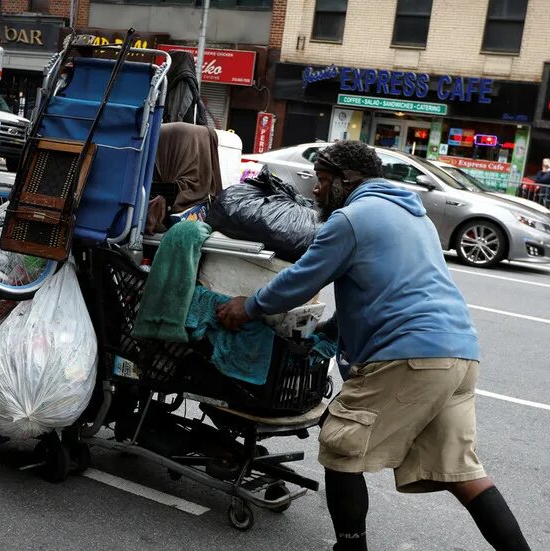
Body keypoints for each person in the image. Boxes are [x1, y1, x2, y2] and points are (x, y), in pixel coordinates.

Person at [216, 140, 530, 551]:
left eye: (324, 181)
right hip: (458, 351)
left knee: (340, 442)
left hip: (408, 353)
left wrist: (250, 307)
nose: (316, 190)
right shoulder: (411, 214)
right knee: (463, 472)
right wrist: (331, 328)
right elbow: (384, 285)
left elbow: (299, 281)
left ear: (348, 181)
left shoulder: (350, 219)